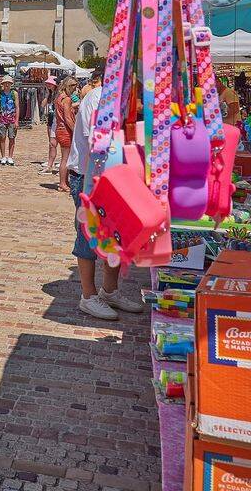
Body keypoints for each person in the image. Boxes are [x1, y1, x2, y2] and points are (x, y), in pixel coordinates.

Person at [65, 68, 144, 321]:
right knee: (88, 235)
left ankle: (109, 291)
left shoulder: (121, 102)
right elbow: (97, 144)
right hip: (89, 177)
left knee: (115, 235)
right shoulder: (97, 98)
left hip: (113, 177)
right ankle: (88, 296)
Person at [54, 77, 79, 192]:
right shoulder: (67, 99)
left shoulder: (59, 97)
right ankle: (62, 183)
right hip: (65, 131)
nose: (75, 88)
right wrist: (75, 131)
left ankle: (64, 181)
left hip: (60, 129)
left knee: (65, 157)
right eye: (74, 85)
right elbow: (68, 118)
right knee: (65, 158)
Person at [0, 75, 19, 165]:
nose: (7, 85)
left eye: (9, 83)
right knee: (2, 137)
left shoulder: (14, 93)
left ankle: (10, 156)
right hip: (2, 119)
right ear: (3, 84)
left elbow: (17, 107)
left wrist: (17, 120)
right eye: (5, 83)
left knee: (12, 138)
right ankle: (3, 156)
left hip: (12, 119)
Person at [39, 76, 59, 174]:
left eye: (50, 84)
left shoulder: (60, 94)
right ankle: (50, 163)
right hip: (51, 119)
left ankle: (59, 163)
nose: (48, 85)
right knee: (51, 143)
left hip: (58, 120)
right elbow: (42, 105)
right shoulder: (51, 94)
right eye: (47, 84)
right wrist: (47, 95)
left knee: (60, 143)